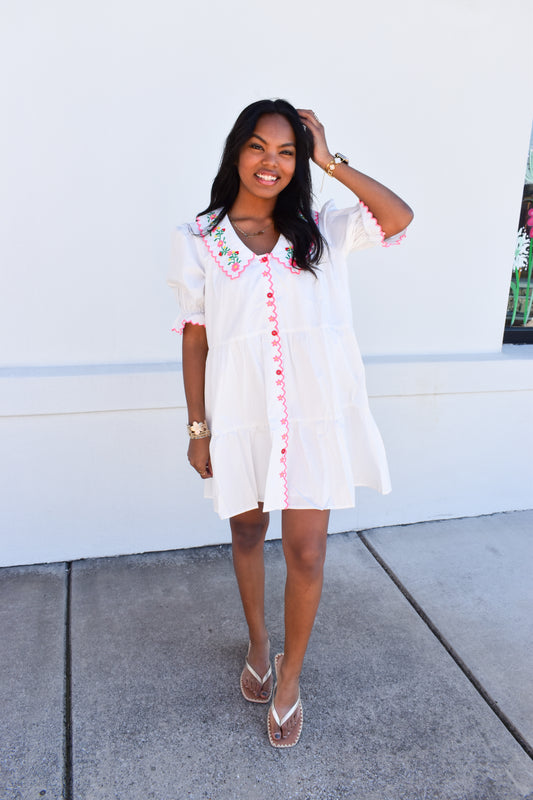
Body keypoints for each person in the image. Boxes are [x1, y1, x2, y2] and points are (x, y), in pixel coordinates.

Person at [168, 99, 413, 748]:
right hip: (240, 419)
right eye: (256, 146)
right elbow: (194, 340)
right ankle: (258, 640)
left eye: (285, 150)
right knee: (247, 534)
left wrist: (330, 158)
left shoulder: (323, 229)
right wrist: (198, 429)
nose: (269, 162)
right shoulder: (201, 238)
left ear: (297, 160)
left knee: (306, 550)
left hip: (312, 421)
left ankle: (289, 677)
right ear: (235, 153)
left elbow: (397, 218)